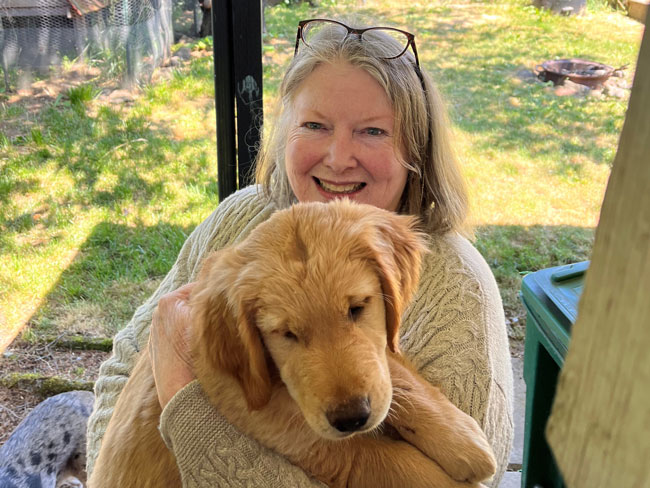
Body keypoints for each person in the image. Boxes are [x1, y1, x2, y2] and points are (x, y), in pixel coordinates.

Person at [86, 18, 514, 487]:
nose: (337, 157)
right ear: (285, 131)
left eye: (372, 131)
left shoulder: (457, 293)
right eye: (314, 124)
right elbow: (123, 365)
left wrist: (183, 399)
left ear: (417, 146)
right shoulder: (240, 220)